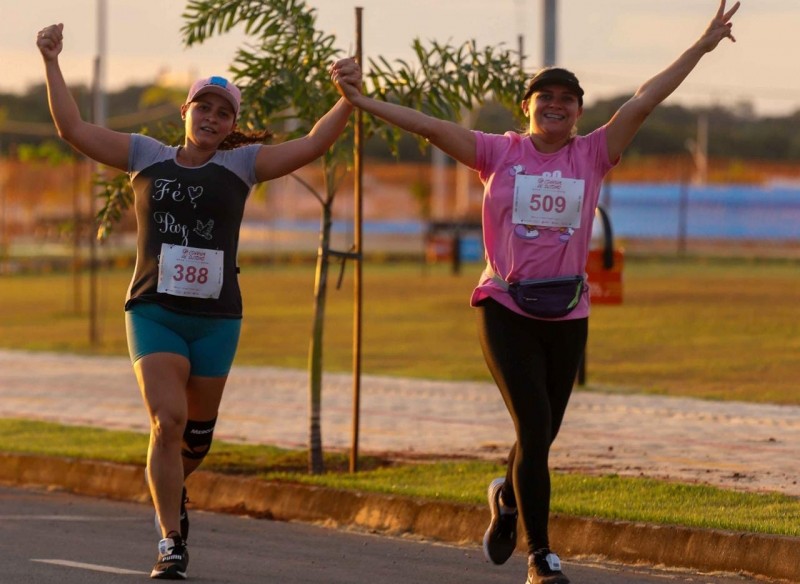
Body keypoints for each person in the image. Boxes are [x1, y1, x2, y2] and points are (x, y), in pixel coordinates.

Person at [332, 2, 739, 583]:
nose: (556, 104)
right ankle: (540, 556)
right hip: (504, 305)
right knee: (533, 424)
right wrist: (362, 101)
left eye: (567, 99)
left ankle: (507, 499)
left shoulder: (593, 154)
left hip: (567, 309)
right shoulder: (499, 152)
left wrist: (702, 45)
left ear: (578, 112)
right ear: (526, 106)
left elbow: (645, 100)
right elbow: (429, 126)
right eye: (545, 96)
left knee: (542, 432)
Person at [37, 22, 359, 580]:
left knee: (196, 439)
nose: (211, 118)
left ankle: (173, 491)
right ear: (185, 112)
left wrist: (347, 98)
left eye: (223, 113)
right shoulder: (145, 155)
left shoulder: (241, 166)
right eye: (203, 107)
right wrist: (50, 61)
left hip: (216, 319)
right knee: (168, 421)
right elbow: (73, 129)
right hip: (154, 311)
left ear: (231, 125)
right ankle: (169, 541)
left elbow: (312, 144)